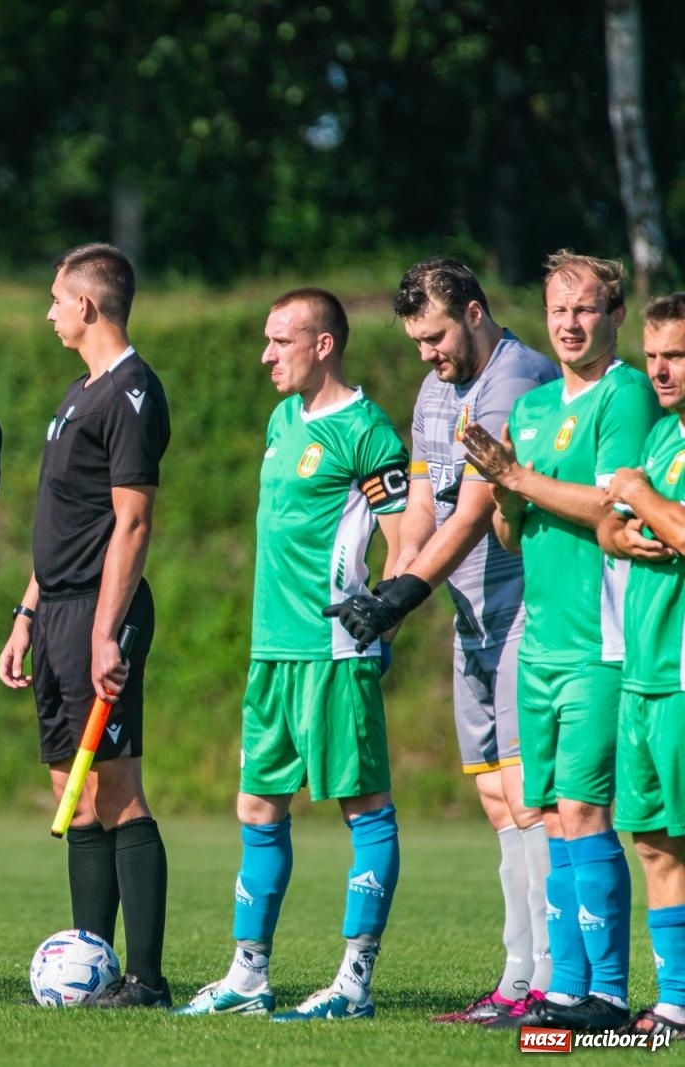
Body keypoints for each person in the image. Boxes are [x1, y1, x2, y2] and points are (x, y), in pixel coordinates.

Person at [334, 258, 558, 1019]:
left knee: (530, 797)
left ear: (471, 309)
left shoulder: (515, 379)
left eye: (434, 336)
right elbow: (427, 503)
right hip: (471, 618)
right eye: (416, 341)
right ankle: (516, 979)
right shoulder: (436, 390)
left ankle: (549, 985)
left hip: (529, 611)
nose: (426, 353)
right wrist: (386, 598)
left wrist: (405, 591)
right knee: (498, 797)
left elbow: (476, 512)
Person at [180, 289, 407, 1020]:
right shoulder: (283, 418)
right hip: (271, 651)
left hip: (334, 650)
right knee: (256, 804)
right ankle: (249, 976)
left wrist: (383, 631)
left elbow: (404, 542)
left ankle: (355, 982)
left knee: (365, 809)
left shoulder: (367, 431)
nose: (265, 355)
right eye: (266, 340)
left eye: (281, 341)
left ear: (324, 345)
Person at [461, 253, 658, 1030]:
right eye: (558, 310)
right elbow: (513, 526)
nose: (570, 324)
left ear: (614, 316)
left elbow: (616, 502)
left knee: (585, 808)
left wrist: (518, 478)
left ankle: (606, 990)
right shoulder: (535, 406)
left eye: (585, 310)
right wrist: (503, 491)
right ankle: (564, 989)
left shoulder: (626, 391)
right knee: (545, 813)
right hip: (536, 641)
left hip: (600, 641)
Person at [0, 242, 171, 1008]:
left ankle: (146, 977)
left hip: (101, 613)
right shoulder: (80, 392)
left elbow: (131, 524)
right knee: (74, 789)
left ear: (89, 306)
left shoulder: (131, 391)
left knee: (118, 788)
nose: (50, 313)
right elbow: (66, 522)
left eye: (57, 300)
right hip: (58, 610)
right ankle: (91, 964)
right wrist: (27, 612)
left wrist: (106, 630)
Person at [597, 291, 685, 1039]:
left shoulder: (654, 462)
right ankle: (675, 1003)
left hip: (683, 678)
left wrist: (640, 496)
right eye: (653, 354)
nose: (660, 369)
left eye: (676, 355)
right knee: (653, 839)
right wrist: (623, 530)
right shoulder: (660, 439)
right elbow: (611, 526)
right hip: (642, 673)